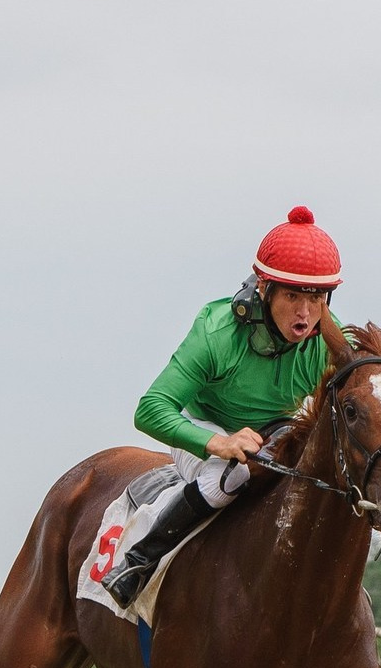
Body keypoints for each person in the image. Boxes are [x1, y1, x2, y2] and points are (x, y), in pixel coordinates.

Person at [100, 206, 344, 608]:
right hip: (202, 427)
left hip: (275, 429)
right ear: (264, 290)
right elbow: (150, 409)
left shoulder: (325, 343)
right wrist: (217, 443)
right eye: (293, 295)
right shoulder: (216, 333)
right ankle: (137, 562)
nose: (305, 312)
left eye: (316, 297)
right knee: (229, 476)